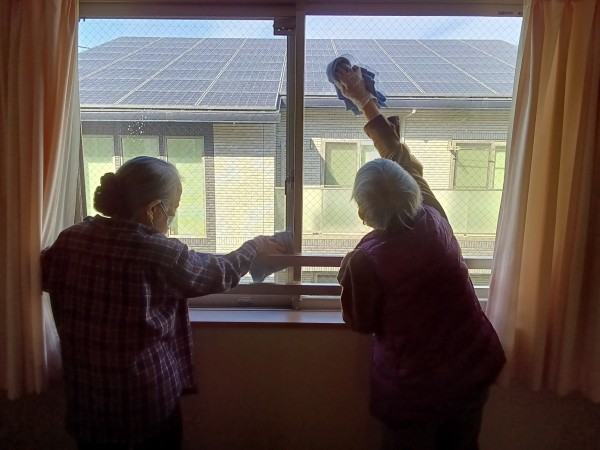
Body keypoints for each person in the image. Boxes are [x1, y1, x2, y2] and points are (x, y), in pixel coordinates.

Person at [41, 156, 285, 450]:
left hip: (87, 401)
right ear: (153, 209)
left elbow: (45, 276)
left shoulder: (71, 239)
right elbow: (220, 272)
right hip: (145, 404)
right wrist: (255, 246)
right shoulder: (160, 251)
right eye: (172, 212)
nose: (170, 223)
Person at [334, 63, 506, 449]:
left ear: (363, 213)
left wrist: (349, 271)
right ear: (412, 190)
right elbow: (400, 158)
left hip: (414, 388)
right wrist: (364, 100)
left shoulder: (364, 261)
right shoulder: (432, 214)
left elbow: (360, 321)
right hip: (471, 369)